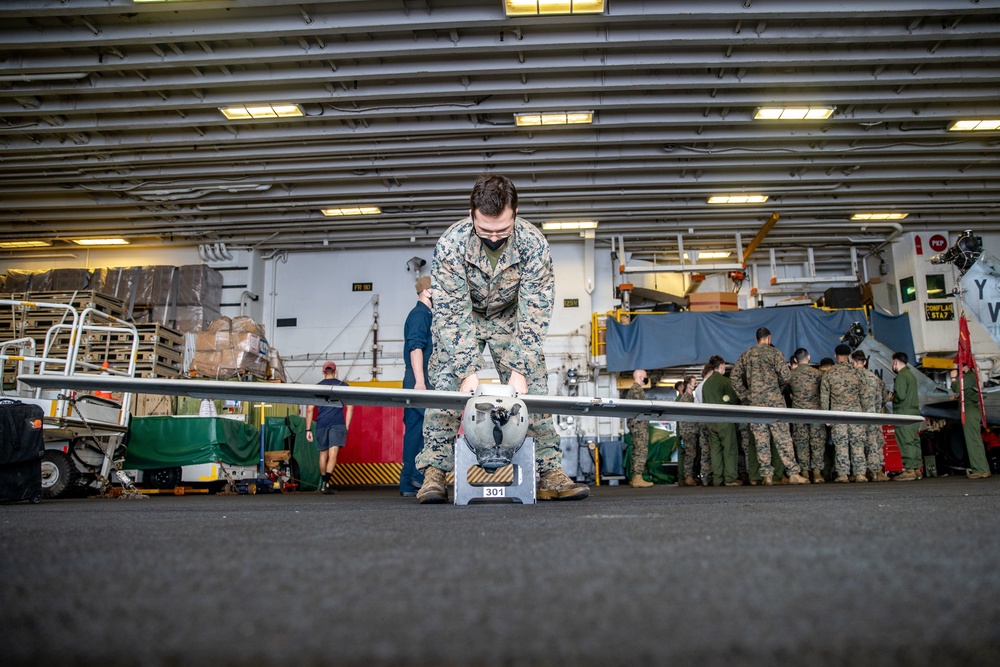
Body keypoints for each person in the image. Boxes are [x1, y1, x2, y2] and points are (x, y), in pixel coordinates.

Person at [414, 173, 589, 503]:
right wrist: (468, 371)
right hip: (464, 318)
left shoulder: (534, 245)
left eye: (502, 229)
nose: (494, 237)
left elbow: (536, 309)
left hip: (511, 317)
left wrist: (521, 368)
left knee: (534, 388)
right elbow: (451, 313)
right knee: (446, 385)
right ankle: (435, 473)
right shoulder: (450, 246)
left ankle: (550, 471)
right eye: (485, 229)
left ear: (516, 213)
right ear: (471, 215)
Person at [730, 328, 809, 485]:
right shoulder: (775, 353)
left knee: (761, 440)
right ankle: (793, 473)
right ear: (769, 338)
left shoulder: (747, 354)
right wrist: (777, 388)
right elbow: (786, 376)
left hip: (755, 404)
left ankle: (767, 475)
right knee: (783, 438)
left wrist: (745, 395)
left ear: (756, 339)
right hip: (774, 403)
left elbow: (734, 376)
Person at [399, 275, 433, 497]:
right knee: (417, 430)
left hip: (420, 377)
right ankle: (414, 477)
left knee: (418, 429)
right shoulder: (420, 314)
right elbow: (415, 348)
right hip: (418, 378)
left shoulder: (424, 314)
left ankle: (409, 483)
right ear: (428, 292)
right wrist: (420, 382)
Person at [819, 345, 867, 483]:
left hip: (837, 414)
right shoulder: (857, 373)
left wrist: (826, 416)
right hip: (856, 413)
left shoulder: (829, 373)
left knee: (841, 444)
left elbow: (824, 397)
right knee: (857, 443)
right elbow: (864, 394)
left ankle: (843, 474)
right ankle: (860, 473)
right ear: (849, 356)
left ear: (835, 356)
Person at [305, 361, 353, 494]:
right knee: (333, 454)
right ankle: (326, 482)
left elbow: (309, 409)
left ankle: (322, 483)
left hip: (321, 424)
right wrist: (346, 426)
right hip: (337, 423)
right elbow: (350, 407)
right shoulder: (342, 386)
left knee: (322, 454)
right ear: (335, 371)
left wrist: (308, 429)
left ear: (323, 372)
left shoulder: (317, 387)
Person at [701, 356, 742, 487]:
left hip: (710, 422)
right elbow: (734, 400)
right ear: (722, 365)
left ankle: (717, 479)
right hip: (724, 420)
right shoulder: (724, 381)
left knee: (715, 450)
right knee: (729, 449)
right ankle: (730, 478)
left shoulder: (706, 384)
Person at [788, 347, 826, 483]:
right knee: (817, 443)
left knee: (801, 443)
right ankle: (817, 473)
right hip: (815, 413)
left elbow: (787, 392)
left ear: (795, 360)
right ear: (808, 357)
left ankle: (804, 472)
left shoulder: (791, 375)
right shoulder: (818, 374)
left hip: (798, 414)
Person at [851, 350, 891, 482]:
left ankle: (859, 473)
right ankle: (876, 472)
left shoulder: (850, 377)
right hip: (873, 415)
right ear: (865, 362)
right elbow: (882, 399)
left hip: (856, 416)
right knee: (873, 443)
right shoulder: (874, 378)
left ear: (853, 361)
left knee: (857, 444)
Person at [950, 367, 991, 479]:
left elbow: (957, 387)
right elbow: (968, 391)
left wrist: (953, 378)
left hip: (970, 410)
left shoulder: (969, 376)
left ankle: (980, 469)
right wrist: (959, 396)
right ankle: (982, 468)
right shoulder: (972, 375)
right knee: (974, 439)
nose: (958, 368)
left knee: (972, 440)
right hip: (971, 409)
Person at [890, 351, 922, 481]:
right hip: (914, 413)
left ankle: (909, 470)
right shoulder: (911, 375)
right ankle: (916, 469)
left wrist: (891, 397)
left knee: (906, 442)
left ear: (895, 362)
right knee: (914, 441)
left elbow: (901, 396)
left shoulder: (902, 376)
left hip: (904, 413)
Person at [624, 369, 654, 488]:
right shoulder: (637, 390)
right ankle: (638, 478)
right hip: (639, 425)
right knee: (641, 450)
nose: (646, 378)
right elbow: (644, 408)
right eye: (646, 376)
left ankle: (636, 478)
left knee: (637, 450)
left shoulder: (634, 390)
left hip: (636, 425)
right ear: (641, 377)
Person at [678, 375, 709, 486]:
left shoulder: (692, 398)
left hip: (694, 430)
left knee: (695, 455)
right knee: (690, 455)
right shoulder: (685, 399)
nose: (695, 385)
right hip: (688, 431)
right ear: (687, 384)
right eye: (693, 383)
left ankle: (693, 476)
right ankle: (688, 477)